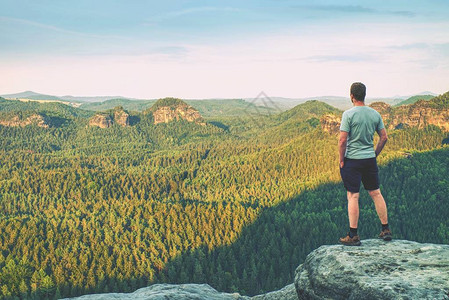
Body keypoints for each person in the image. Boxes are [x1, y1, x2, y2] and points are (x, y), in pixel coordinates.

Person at [338, 82, 392, 246]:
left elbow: (342, 140)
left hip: (352, 161)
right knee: (376, 193)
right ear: (364, 95)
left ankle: (353, 235)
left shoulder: (348, 114)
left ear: (352, 96)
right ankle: (386, 229)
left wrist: (341, 159)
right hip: (369, 159)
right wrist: (374, 154)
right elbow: (384, 137)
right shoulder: (375, 114)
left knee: (353, 196)